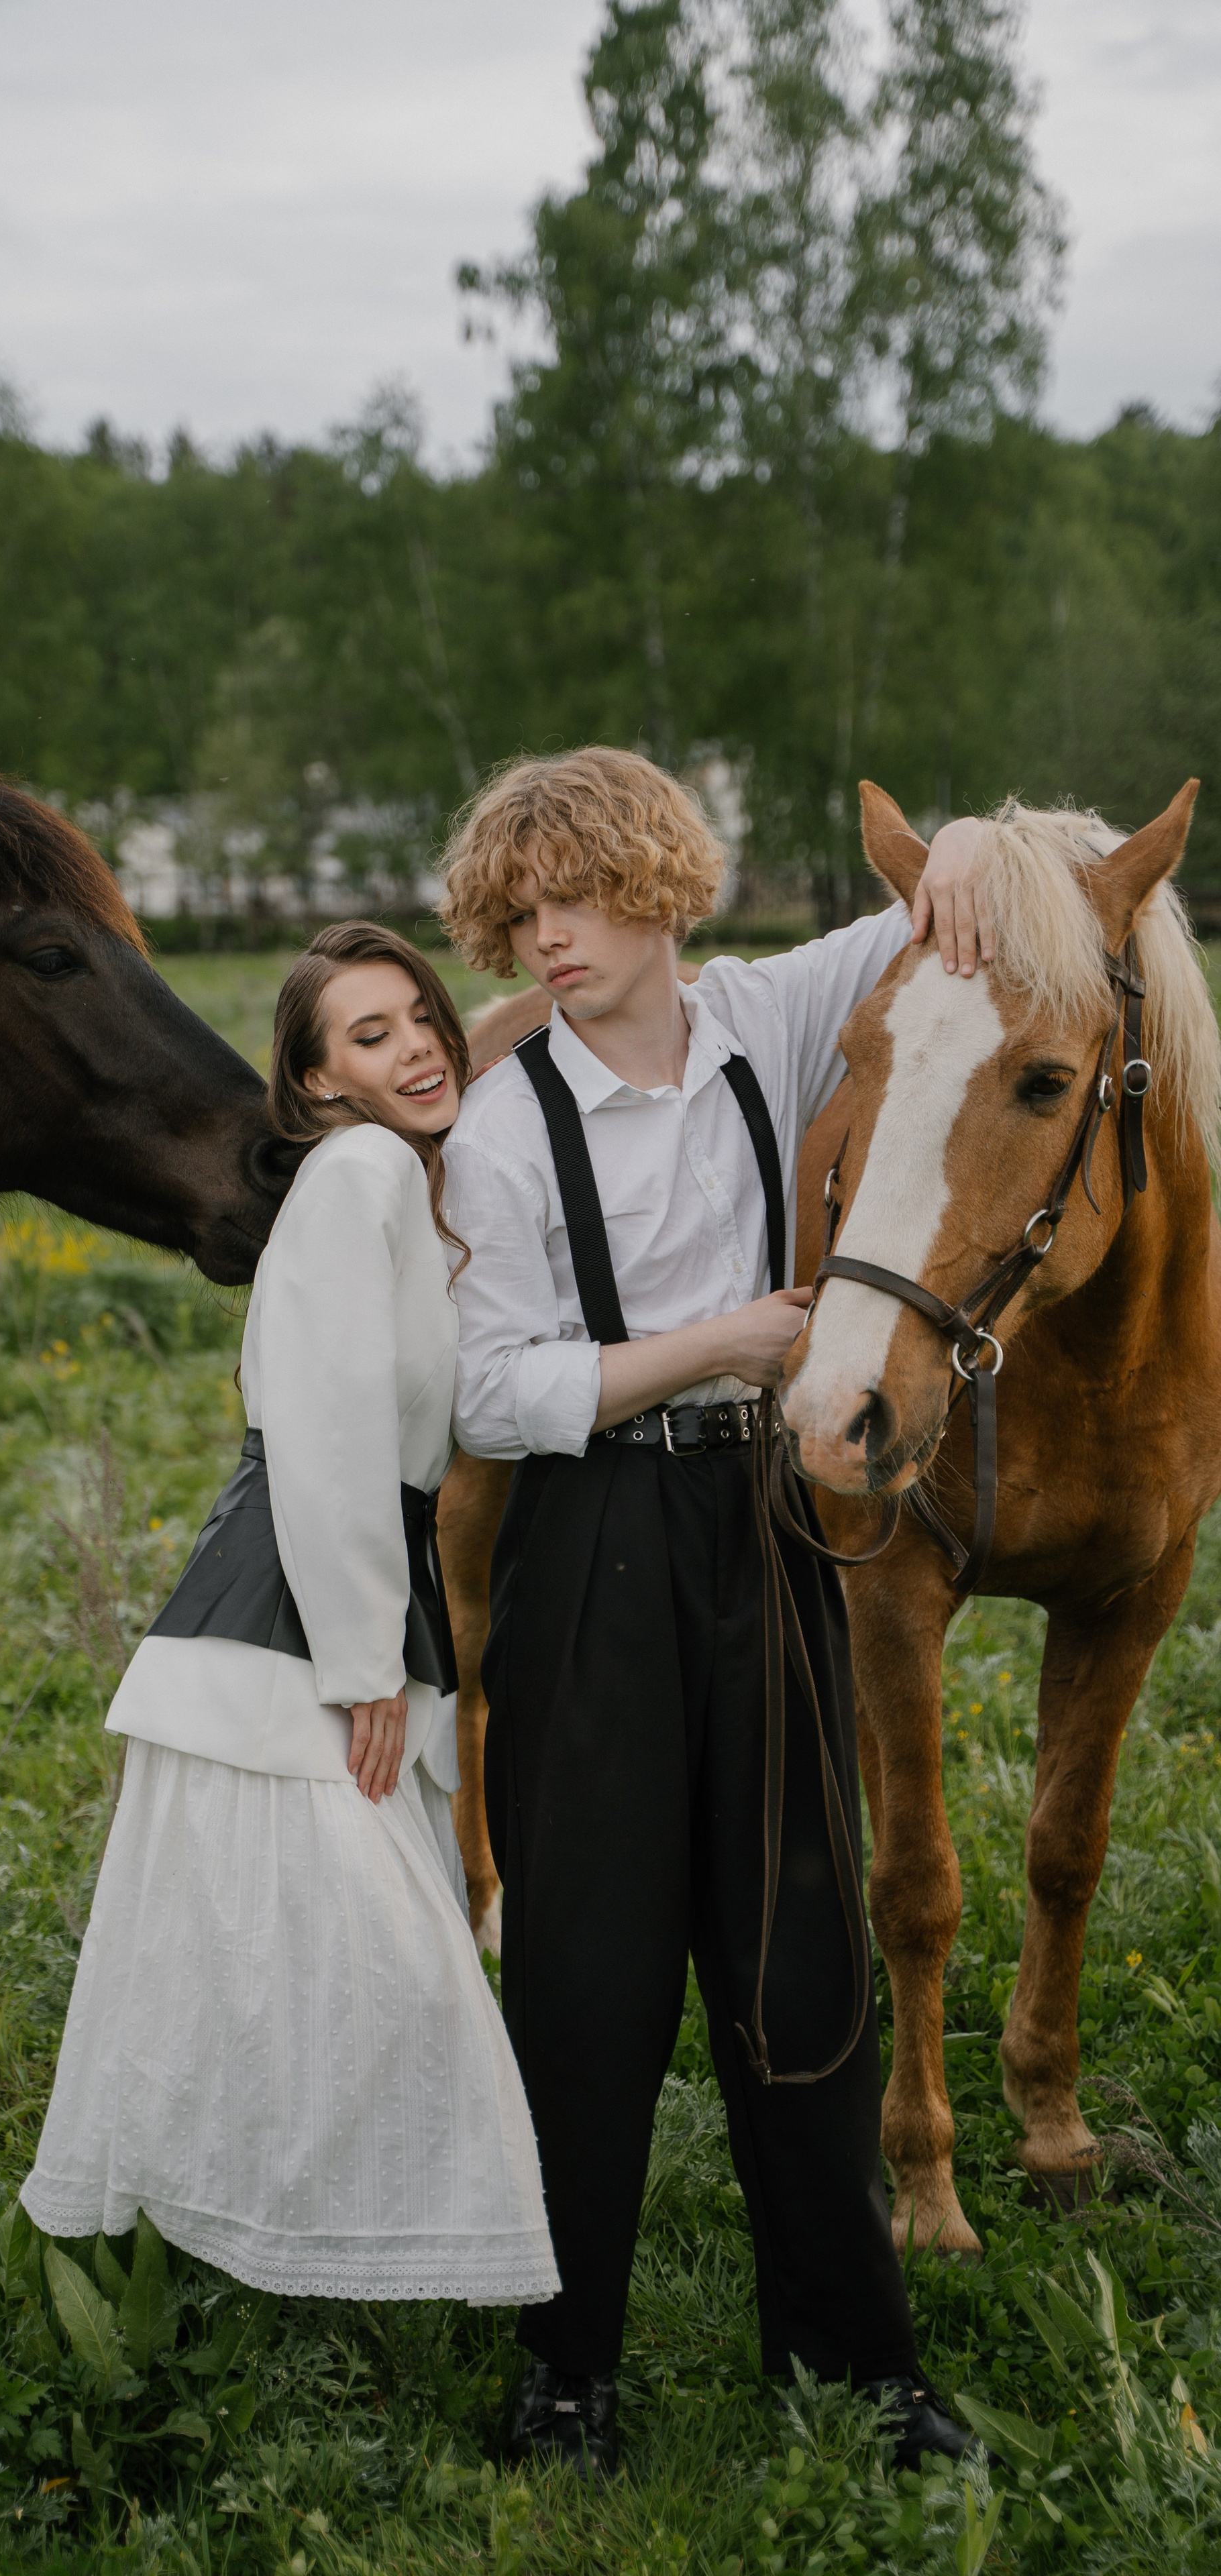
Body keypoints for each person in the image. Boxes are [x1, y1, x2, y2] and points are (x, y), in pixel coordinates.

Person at [437, 748, 992, 2477]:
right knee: (583, 1971)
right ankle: (565, 2373)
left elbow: (936, 901)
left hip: (760, 1528)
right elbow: (488, 1393)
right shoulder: (503, 1125)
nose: (546, 938)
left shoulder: (763, 1017)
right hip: (589, 1534)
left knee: (799, 1944)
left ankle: (853, 2366)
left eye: (575, 898)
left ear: (657, 890)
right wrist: (719, 1346)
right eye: (519, 912)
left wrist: (967, 851)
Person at [21, 921, 559, 2310]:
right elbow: (323, 1433)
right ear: (316, 1083)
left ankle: (277, 2245)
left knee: (279, 1955)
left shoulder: (396, 1174)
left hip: (340, 1585)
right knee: (388, 1963)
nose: (416, 1048)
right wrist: (364, 1663)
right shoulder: (361, 1174)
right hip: (301, 1609)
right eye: (369, 1037)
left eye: (420, 1017)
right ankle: (344, 2250)